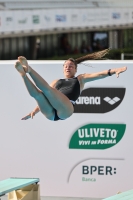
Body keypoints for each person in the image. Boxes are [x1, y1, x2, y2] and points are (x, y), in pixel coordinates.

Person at [15, 49, 127, 121]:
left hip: (66, 110)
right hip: (51, 114)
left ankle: (29, 69)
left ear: (76, 69)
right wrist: (34, 112)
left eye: (71, 66)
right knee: (38, 95)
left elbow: (99, 74)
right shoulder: (56, 81)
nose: (68, 67)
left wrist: (114, 70)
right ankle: (23, 74)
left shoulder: (80, 79)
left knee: (47, 90)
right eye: (66, 66)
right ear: (63, 69)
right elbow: (44, 96)